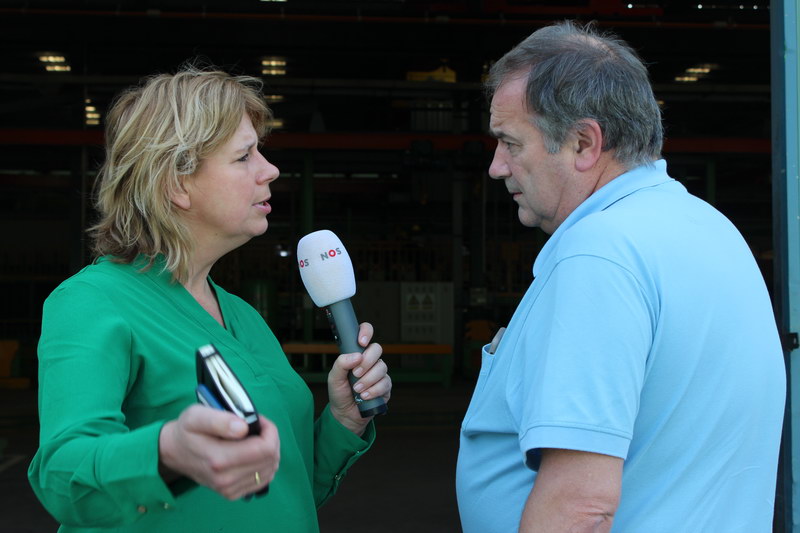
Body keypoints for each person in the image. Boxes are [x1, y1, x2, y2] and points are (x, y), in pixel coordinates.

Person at [28, 65, 391, 532]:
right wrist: (167, 454)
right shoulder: (92, 302)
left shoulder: (243, 315)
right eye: (244, 156)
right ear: (176, 184)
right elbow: (64, 477)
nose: (270, 169)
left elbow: (284, 490)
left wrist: (344, 421)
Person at [456, 20, 785, 533]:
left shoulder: (599, 253)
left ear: (584, 142)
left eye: (510, 143)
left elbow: (580, 508)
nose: (497, 167)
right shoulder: (709, 227)